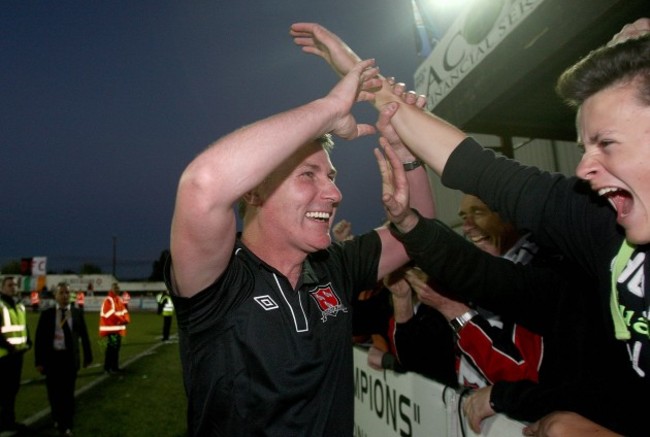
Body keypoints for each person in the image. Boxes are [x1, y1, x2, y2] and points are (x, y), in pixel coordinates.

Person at [289, 20, 650, 437]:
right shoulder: (603, 230)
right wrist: (367, 82)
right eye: (584, 146)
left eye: (606, 143)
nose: (585, 167)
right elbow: (481, 179)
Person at [165, 58, 436, 436]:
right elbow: (203, 183)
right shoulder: (220, 280)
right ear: (255, 192)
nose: (334, 193)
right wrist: (329, 111)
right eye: (308, 175)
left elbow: (419, 228)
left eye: (332, 176)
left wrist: (408, 156)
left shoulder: (334, 266)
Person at [35, 283, 92, 437]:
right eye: (61, 292)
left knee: (68, 394)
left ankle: (66, 425)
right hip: (53, 360)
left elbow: (84, 335)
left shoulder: (76, 312)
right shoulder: (47, 314)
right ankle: (57, 417)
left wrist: (88, 356)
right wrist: (39, 361)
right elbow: (39, 339)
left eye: (67, 292)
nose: (65, 295)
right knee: (54, 394)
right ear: (55, 296)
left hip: (69, 359)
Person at [0, 277, 30, 436]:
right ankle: (5, 422)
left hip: (17, 354)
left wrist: (28, 341)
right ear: (2, 288)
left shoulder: (19, 306)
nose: (13, 287)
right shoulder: (0, 305)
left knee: (12, 390)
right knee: (4, 391)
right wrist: (9, 347)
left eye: (15, 285)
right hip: (3, 356)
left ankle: (8, 421)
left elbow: (23, 326)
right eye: (9, 285)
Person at [99, 282, 130, 375]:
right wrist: (122, 320)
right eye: (115, 288)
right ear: (112, 290)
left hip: (117, 329)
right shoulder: (109, 300)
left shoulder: (118, 300)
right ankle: (108, 368)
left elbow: (124, 311)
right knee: (112, 349)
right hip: (111, 329)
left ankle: (114, 367)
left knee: (115, 349)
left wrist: (127, 319)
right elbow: (110, 314)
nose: (117, 290)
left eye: (118, 288)